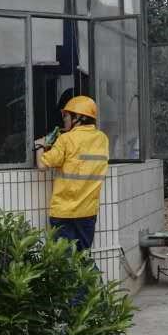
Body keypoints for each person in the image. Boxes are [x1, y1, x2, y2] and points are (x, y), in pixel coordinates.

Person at [34, 95, 110, 252]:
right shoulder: (103, 139)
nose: (64, 120)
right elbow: (79, 160)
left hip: (64, 213)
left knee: (65, 260)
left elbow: (42, 165)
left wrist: (39, 146)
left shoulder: (66, 139)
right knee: (82, 257)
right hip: (88, 213)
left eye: (66, 116)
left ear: (79, 118)